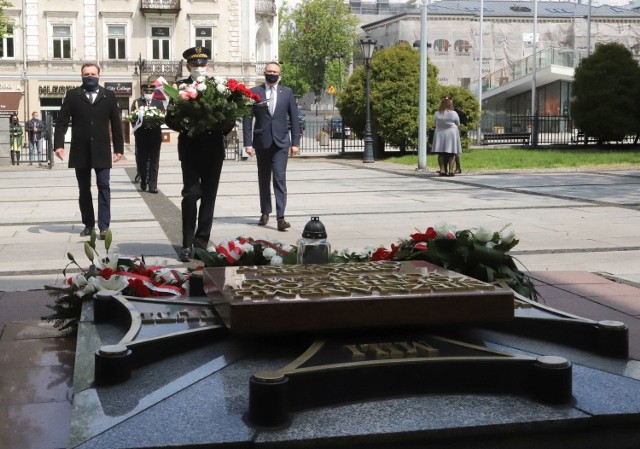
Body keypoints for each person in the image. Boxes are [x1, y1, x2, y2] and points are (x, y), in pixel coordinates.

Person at [165, 47, 233, 263]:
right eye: (195, 65)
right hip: (190, 149)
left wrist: (219, 125)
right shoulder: (180, 88)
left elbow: (230, 116)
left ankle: (201, 242)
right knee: (191, 194)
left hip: (213, 149)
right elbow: (170, 118)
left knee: (209, 197)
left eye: (202, 64)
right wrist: (187, 122)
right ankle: (186, 243)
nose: (199, 68)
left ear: (208, 66)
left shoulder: (218, 87)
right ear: (188, 67)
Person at [54, 63, 124, 239]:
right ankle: (88, 224)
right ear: (81, 76)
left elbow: (116, 124)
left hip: (102, 149)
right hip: (81, 150)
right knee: (84, 189)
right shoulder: (72, 95)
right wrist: (59, 144)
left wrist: (119, 148)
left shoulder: (108, 95)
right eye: (86, 74)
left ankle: (103, 226)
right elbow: (62, 122)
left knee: (103, 185)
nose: (90, 77)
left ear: (99, 75)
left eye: (93, 74)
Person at [242, 61, 301, 231]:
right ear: (264, 73)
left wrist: (295, 142)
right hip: (262, 142)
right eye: (269, 71)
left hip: (281, 142)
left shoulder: (287, 92)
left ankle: (281, 217)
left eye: (275, 71)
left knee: (280, 178)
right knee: (263, 179)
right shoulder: (254, 92)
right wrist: (248, 143)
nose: (272, 73)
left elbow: (294, 118)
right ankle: (265, 212)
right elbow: (247, 119)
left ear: (279, 74)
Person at [131, 83, 165, 193]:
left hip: (155, 136)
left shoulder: (158, 103)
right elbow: (132, 118)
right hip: (141, 136)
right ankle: (144, 180)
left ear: (154, 93)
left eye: (150, 92)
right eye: (146, 92)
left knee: (154, 161)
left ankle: (153, 185)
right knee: (142, 161)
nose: (148, 94)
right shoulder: (137, 103)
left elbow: (163, 118)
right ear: (142, 92)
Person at [432, 97, 462, 177]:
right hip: (451, 134)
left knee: (441, 153)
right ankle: (451, 170)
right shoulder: (453, 113)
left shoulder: (436, 113)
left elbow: (434, 124)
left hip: (440, 134)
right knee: (451, 153)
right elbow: (458, 123)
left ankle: (442, 170)